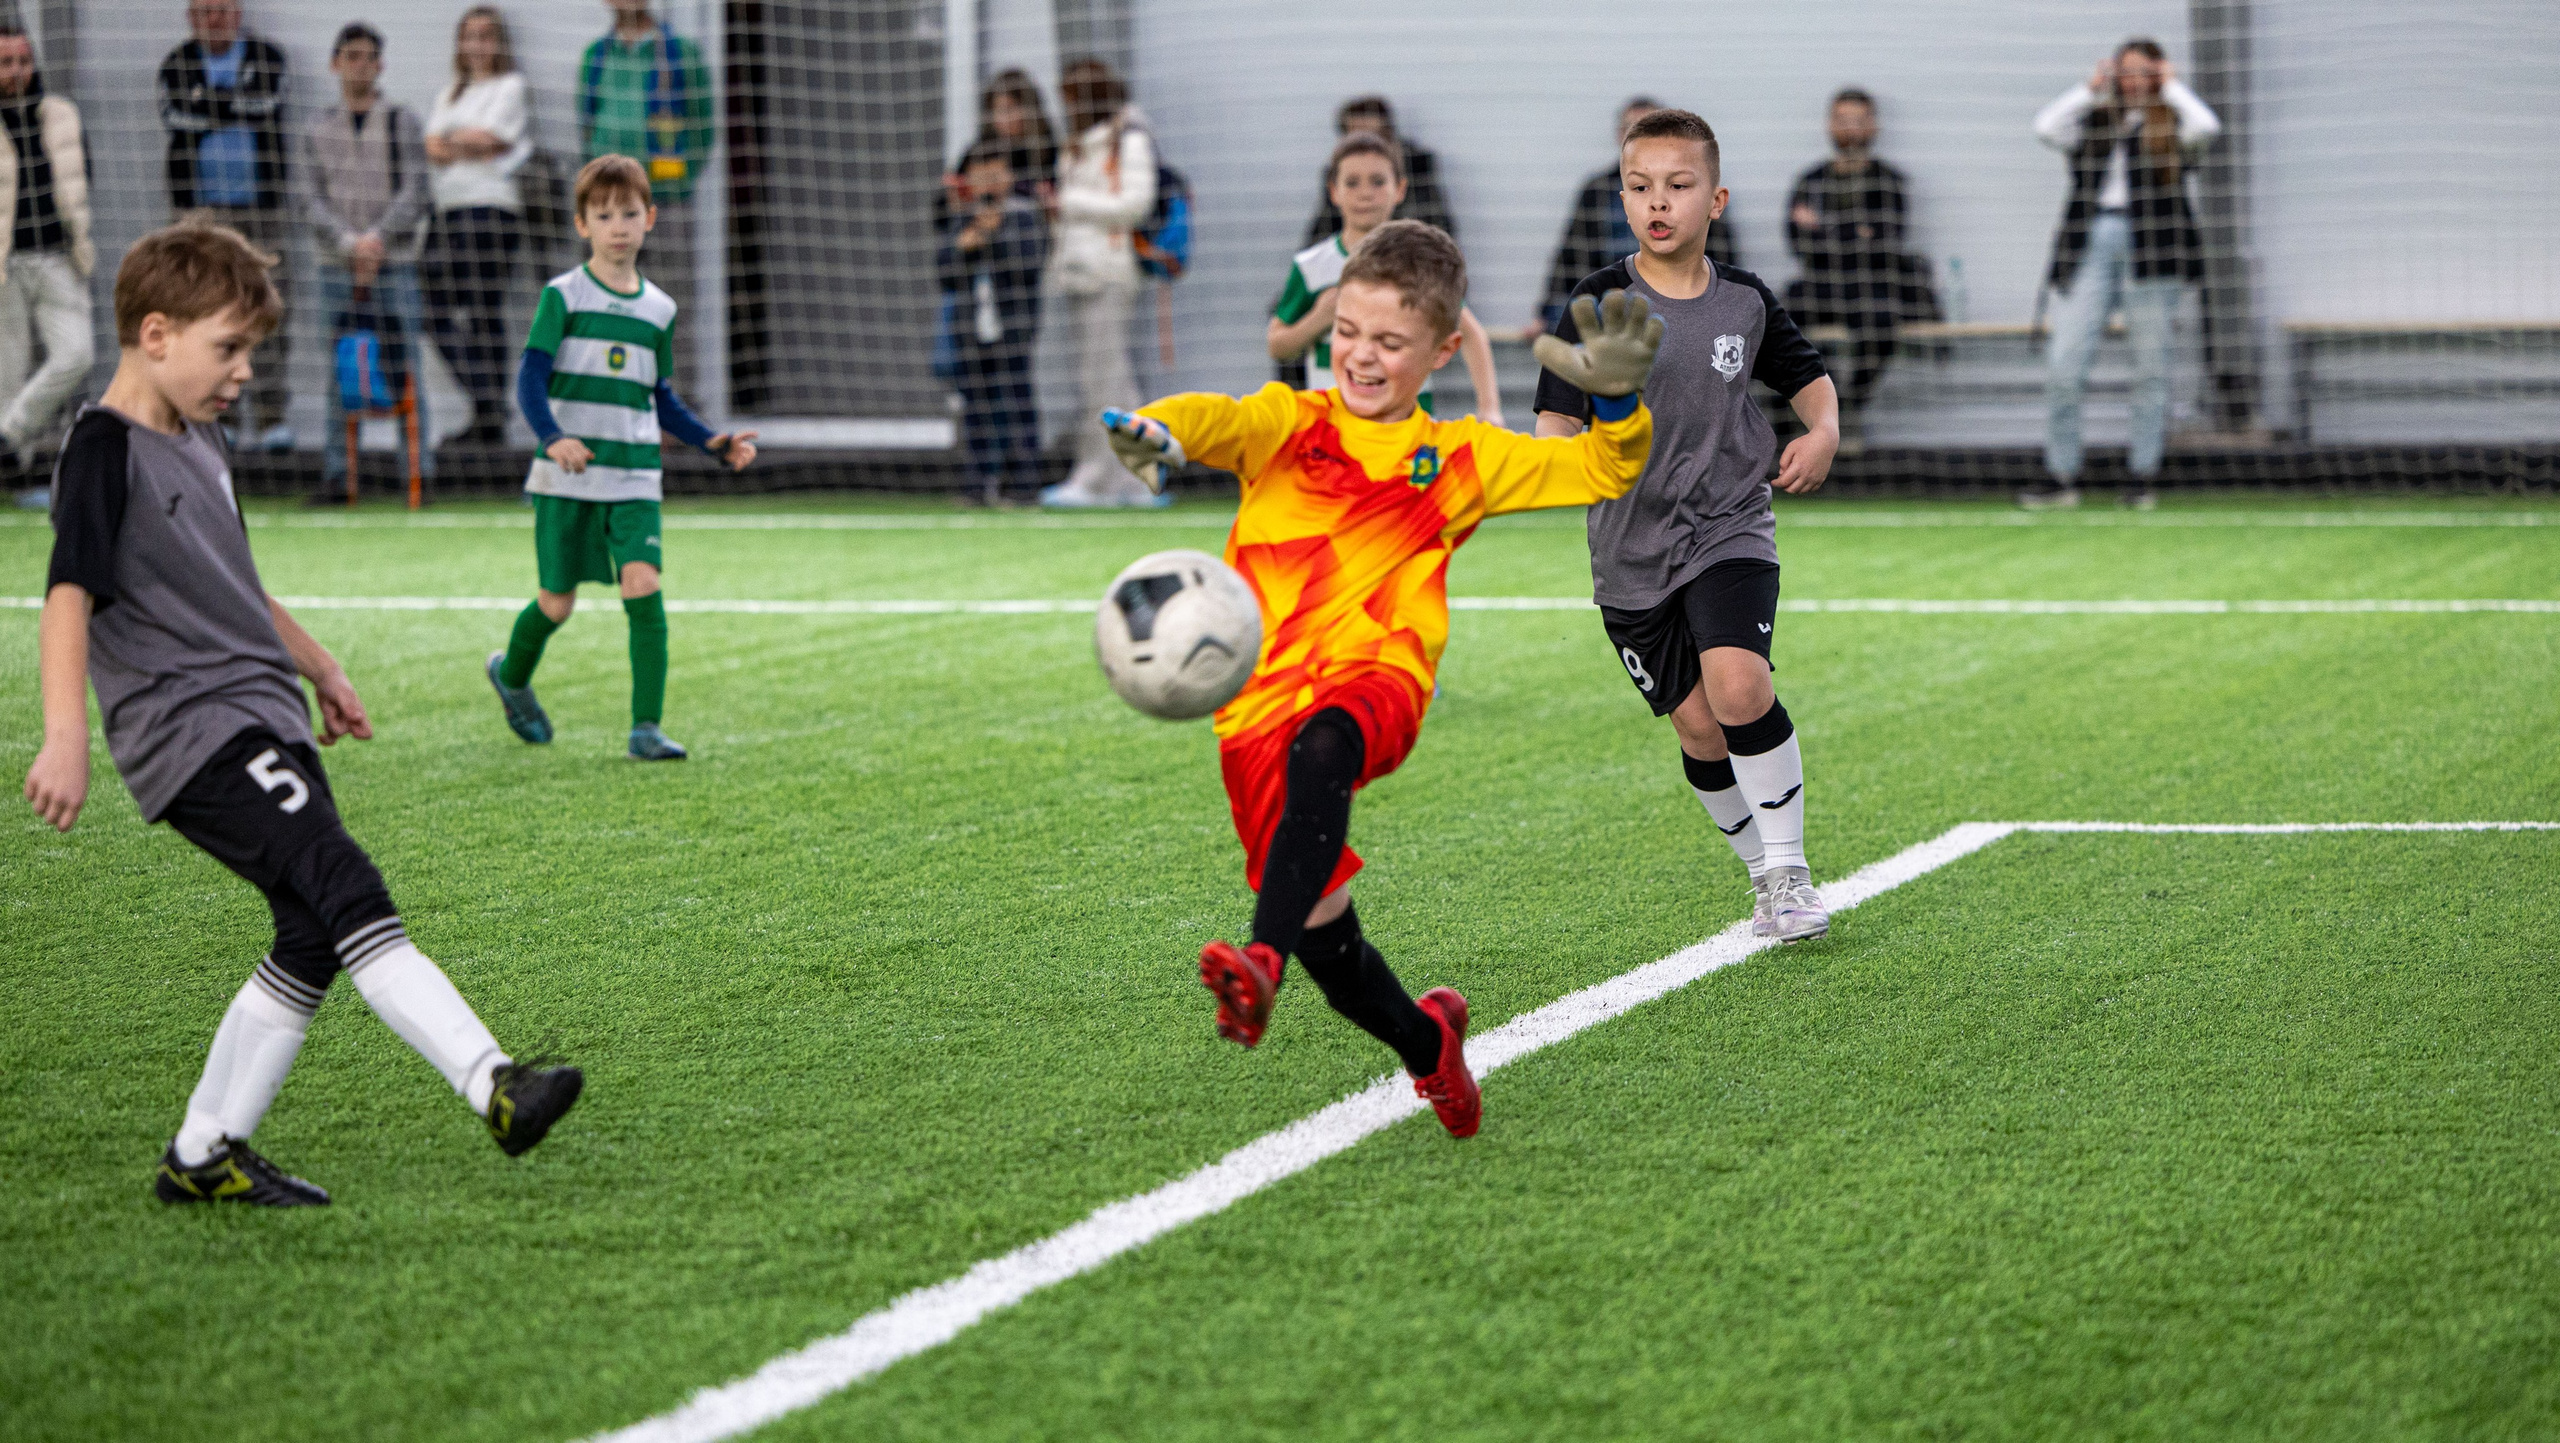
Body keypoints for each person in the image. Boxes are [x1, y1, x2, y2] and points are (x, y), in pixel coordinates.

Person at [24, 224, 584, 1206]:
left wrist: (320, 665)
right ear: (155, 334)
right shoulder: (102, 450)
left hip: (259, 713)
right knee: (345, 884)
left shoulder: (202, 436)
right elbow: (69, 593)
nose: (242, 373)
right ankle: (493, 1082)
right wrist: (66, 734)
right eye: (226, 349)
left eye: (250, 353)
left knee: (311, 932)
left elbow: (235, 581)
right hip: (193, 732)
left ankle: (203, 1155)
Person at [1098, 220, 1666, 1139]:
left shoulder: (1462, 457)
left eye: (1390, 342)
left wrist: (1616, 402)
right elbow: (1218, 420)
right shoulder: (1292, 425)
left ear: (1442, 350)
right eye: (1348, 335)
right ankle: (1425, 1040)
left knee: (1328, 747)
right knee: (1330, 935)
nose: (1361, 356)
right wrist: (1158, 428)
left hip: (1379, 680)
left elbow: (1603, 469)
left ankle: (1259, 962)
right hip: (1254, 712)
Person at [1534, 108, 1840, 943]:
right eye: (1639, 187)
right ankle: (1759, 877)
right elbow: (1554, 432)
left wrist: (1822, 431)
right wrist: (1583, 436)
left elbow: (1806, 376)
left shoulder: (1743, 300)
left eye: (1678, 185)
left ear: (1717, 199)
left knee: (1740, 685)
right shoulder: (1598, 302)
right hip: (1629, 550)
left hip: (1728, 522)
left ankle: (1791, 871)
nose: (1656, 202)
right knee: (1699, 724)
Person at [485, 156, 757, 762]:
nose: (618, 226)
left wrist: (712, 442)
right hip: (567, 475)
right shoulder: (562, 296)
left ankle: (646, 727)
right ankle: (512, 675)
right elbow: (529, 380)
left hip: (635, 475)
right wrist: (553, 436)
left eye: (629, 213)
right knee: (557, 602)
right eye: (603, 215)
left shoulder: (659, 309)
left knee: (644, 585)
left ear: (650, 219)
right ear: (582, 225)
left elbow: (659, 395)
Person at [2024, 37, 2220, 511]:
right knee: (2064, 363)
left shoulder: (2171, 125)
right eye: (2124, 70)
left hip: (2155, 249)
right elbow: (2046, 127)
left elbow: (2208, 126)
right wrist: (2088, 91)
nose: (2132, 79)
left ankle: (2142, 474)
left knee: (2152, 365)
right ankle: (2062, 474)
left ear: (2156, 74)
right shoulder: (2095, 120)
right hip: (2090, 243)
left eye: (2142, 70)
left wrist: (2170, 87)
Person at [1269, 133, 1500, 424]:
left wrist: (1488, 408)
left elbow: (1470, 333)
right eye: (1352, 182)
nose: (1365, 193)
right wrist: (1319, 318)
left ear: (1400, 189)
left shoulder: (1419, 260)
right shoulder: (1311, 266)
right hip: (1334, 425)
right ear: (1334, 191)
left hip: (1408, 425)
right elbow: (1277, 345)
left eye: (1378, 182)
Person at [301, 22, 434, 501]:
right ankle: (340, 476)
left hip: (394, 263)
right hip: (335, 267)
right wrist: (346, 243)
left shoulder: (402, 120)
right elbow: (309, 197)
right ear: (335, 63)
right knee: (340, 368)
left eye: (368, 57)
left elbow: (417, 189)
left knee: (406, 367)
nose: (360, 64)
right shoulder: (317, 127)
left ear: (380, 65)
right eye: (350, 56)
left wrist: (377, 239)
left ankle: (418, 473)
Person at [156, 0, 293, 451]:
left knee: (265, 309)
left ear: (237, 13)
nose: (215, 19)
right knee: (204, 316)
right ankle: (218, 414)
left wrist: (212, 105)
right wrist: (233, 105)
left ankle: (273, 417)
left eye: (223, 9)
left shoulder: (267, 57)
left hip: (261, 212)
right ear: (191, 17)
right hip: (198, 215)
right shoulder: (176, 63)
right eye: (205, 11)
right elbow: (176, 118)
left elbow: (267, 106)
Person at [578, 0, 714, 395]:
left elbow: (704, 125)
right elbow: (585, 122)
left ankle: (674, 404)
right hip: (609, 209)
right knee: (607, 303)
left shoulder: (680, 53)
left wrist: (680, 179)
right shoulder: (596, 56)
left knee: (669, 303)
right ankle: (614, 399)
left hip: (664, 200)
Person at [1038, 56, 1157, 509]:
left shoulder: (1128, 140)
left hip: (1109, 272)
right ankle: (1137, 478)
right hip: (1080, 271)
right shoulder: (1082, 144)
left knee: (1103, 383)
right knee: (1107, 380)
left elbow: (1135, 204)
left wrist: (1069, 202)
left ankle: (1097, 478)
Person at [1534, 96, 1737, 336]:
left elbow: (1722, 254)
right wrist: (1545, 313)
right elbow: (1570, 257)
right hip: (1609, 309)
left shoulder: (1696, 186)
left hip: (1679, 303)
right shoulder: (1597, 190)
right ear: (1620, 137)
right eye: (1632, 130)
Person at [424, 6, 530, 449]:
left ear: (499, 43)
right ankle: (488, 401)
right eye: (470, 36)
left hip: (491, 209)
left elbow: (493, 141)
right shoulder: (451, 92)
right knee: (432, 307)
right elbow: (432, 147)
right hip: (448, 210)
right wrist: (465, 141)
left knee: (486, 310)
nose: (478, 45)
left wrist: (460, 142)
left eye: (487, 36)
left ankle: (488, 420)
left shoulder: (511, 86)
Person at [1784, 88, 1916, 425]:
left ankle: (1844, 408)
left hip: (1871, 286)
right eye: (1843, 120)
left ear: (1874, 127)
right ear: (1830, 125)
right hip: (1821, 285)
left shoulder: (1889, 182)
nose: (1851, 128)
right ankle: (1800, 413)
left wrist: (1822, 229)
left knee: (1884, 324)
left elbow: (1887, 243)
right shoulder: (1811, 181)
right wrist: (1855, 232)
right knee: (1780, 322)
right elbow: (1799, 245)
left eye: (1859, 120)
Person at [0, 24, 93, 501]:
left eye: (22, 61)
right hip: (5, 264)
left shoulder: (59, 115)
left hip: (57, 256)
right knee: (8, 374)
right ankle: (17, 474)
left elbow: (81, 176)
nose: (16, 72)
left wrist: (78, 234)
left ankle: (6, 440)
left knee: (78, 353)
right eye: (5, 63)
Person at [937, 138, 1048, 504]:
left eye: (995, 172)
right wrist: (967, 244)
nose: (987, 181)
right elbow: (945, 276)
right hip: (971, 332)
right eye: (979, 174)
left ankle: (1024, 486)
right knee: (976, 409)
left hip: (1012, 329)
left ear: (1009, 176)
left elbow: (1030, 267)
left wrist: (994, 236)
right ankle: (977, 486)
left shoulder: (1023, 215)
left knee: (1016, 404)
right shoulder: (960, 219)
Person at [1299, 96, 1454, 247]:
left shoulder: (1418, 167)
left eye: (1374, 136)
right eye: (1357, 139)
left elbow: (1437, 225)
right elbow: (1322, 230)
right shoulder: (1338, 172)